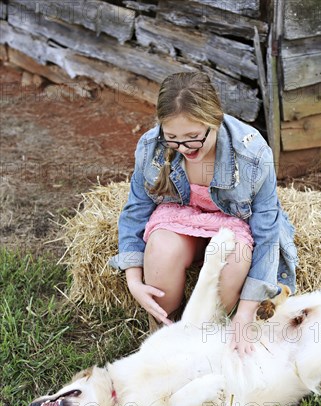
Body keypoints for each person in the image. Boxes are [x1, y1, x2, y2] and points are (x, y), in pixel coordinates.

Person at [109, 71, 297, 356]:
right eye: (172, 138)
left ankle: (205, 341)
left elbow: (267, 233)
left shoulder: (252, 153)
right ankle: (165, 337)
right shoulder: (152, 146)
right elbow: (136, 209)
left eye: (193, 138)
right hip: (181, 218)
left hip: (233, 225)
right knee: (161, 251)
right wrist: (134, 280)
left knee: (236, 262)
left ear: (215, 120)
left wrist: (246, 312)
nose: (183, 149)